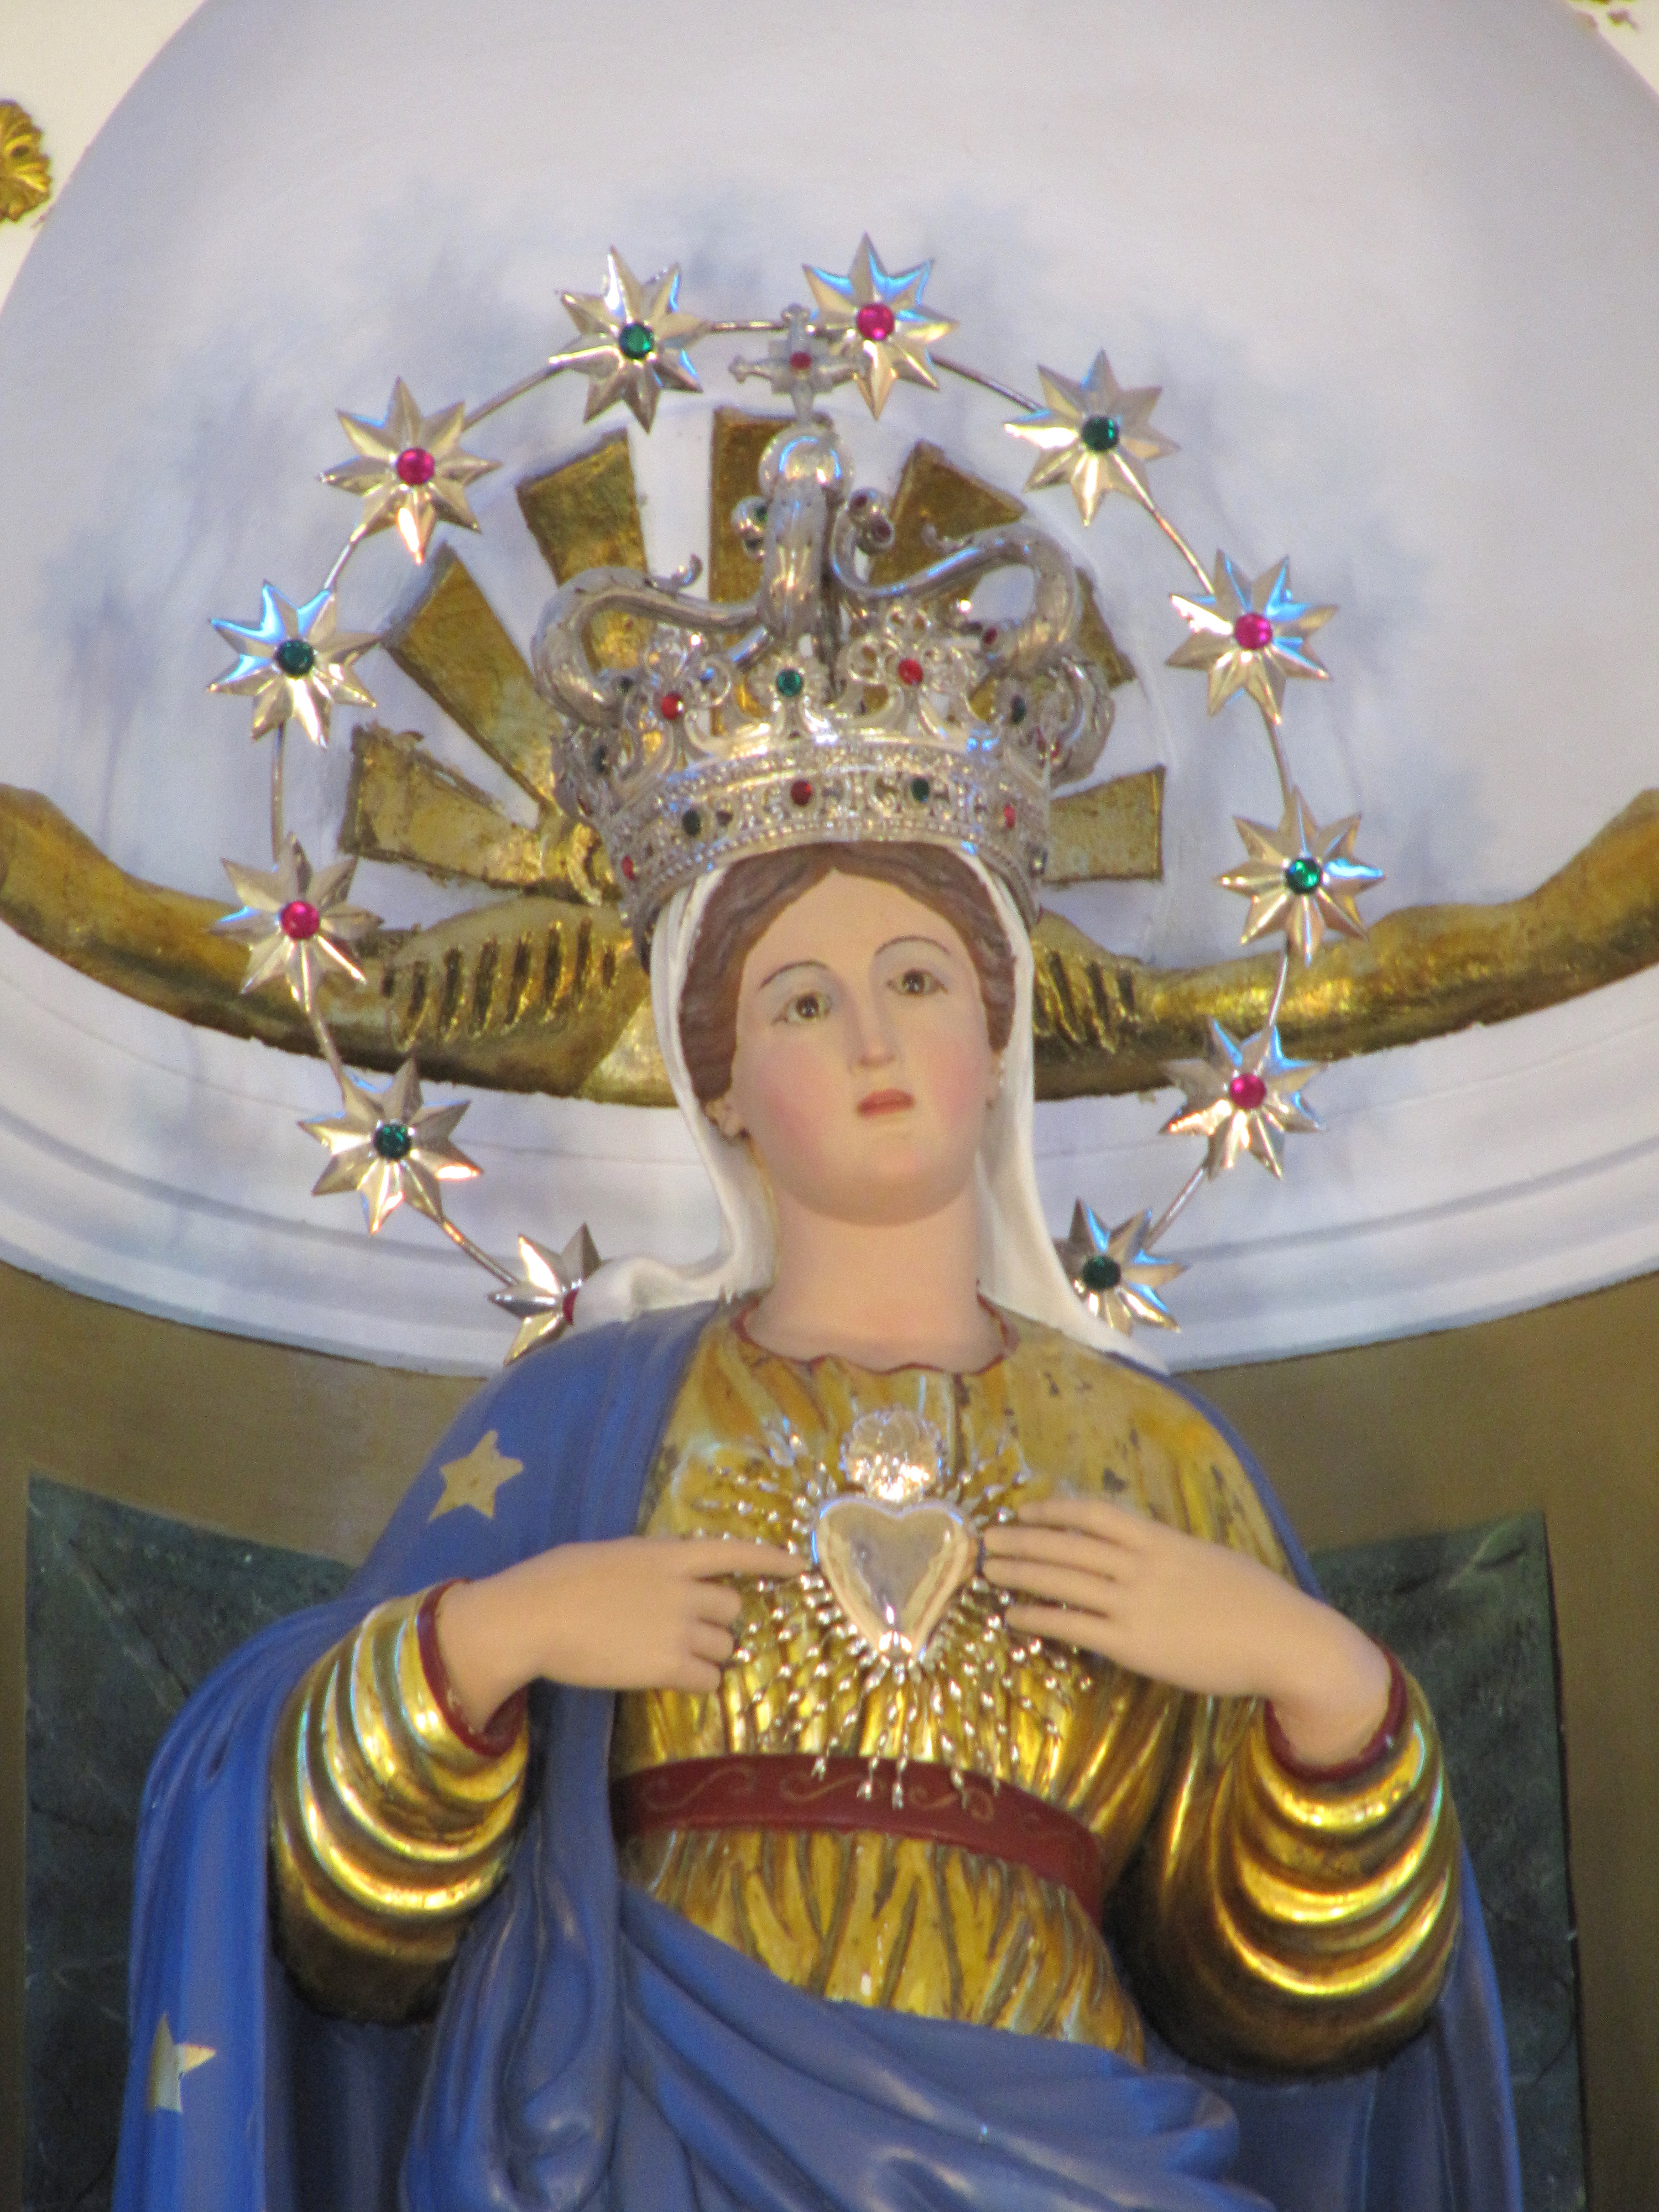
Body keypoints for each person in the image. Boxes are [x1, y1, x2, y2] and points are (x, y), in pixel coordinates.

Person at [114, 424, 1522, 2212]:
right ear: (714, 1082)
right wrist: (497, 1638)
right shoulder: (589, 1422)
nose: (871, 1038)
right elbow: (339, 1929)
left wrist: (1329, 1692)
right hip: (646, 2133)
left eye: (918, 978)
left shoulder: (1161, 1458)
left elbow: (1298, 2015)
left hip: (1078, 2153)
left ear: (997, 1033)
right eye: (798, 1001)